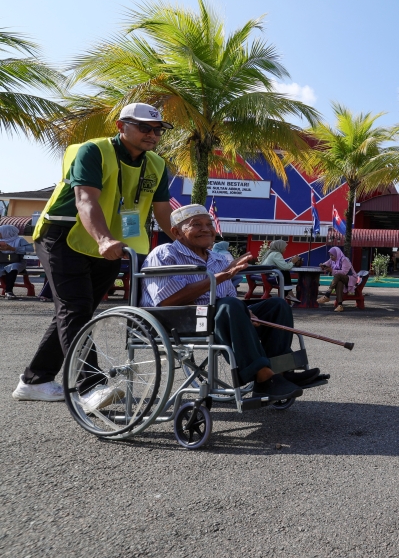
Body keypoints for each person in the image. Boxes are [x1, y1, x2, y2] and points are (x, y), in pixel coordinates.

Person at [13, 103, 173, 402]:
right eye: (144, 127)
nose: (153, 134)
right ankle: (91, 387)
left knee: (77, 310)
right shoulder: (93, 151)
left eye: (158, 129)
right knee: (75, 309)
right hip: (64, 235)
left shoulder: (156, 164)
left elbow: (163, 211)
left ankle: (34, 381)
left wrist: (188, 243)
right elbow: (85, 199)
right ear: (120, 126)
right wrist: (102, 239)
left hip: (111, 243)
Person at [142, 205, 320, 400]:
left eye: (209, 224)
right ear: (176, 232)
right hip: (181, 319)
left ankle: (281, 373)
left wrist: (246, 311)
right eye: (196, 224)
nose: (206, 229)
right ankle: (262, 377)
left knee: (277, 305)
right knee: (229, 306)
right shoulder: (164, 254)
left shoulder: (217, 259)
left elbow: (229, 296)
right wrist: (217, 279)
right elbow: (166, 301)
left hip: (220, 315)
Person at [317, 246, 357, 311]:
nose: (331, 257)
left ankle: (327, 294)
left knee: (338, 275)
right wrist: (322, 265)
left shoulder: (344, 260)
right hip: (341, 279)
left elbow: (344, 272)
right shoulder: (333, 260)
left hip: (351, 278)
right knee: (339, 283)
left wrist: (332, 270)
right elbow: (326, 263)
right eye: (330, 255)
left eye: (332, 255)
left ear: (337, 254)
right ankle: (340, 305)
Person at [0, 225, 34, 299]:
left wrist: (13, 249)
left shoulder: (19, 240)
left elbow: (30, 250)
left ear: (7, 232)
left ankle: (8, 291)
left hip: (18, 262)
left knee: (12, 267)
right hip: (2, 262)